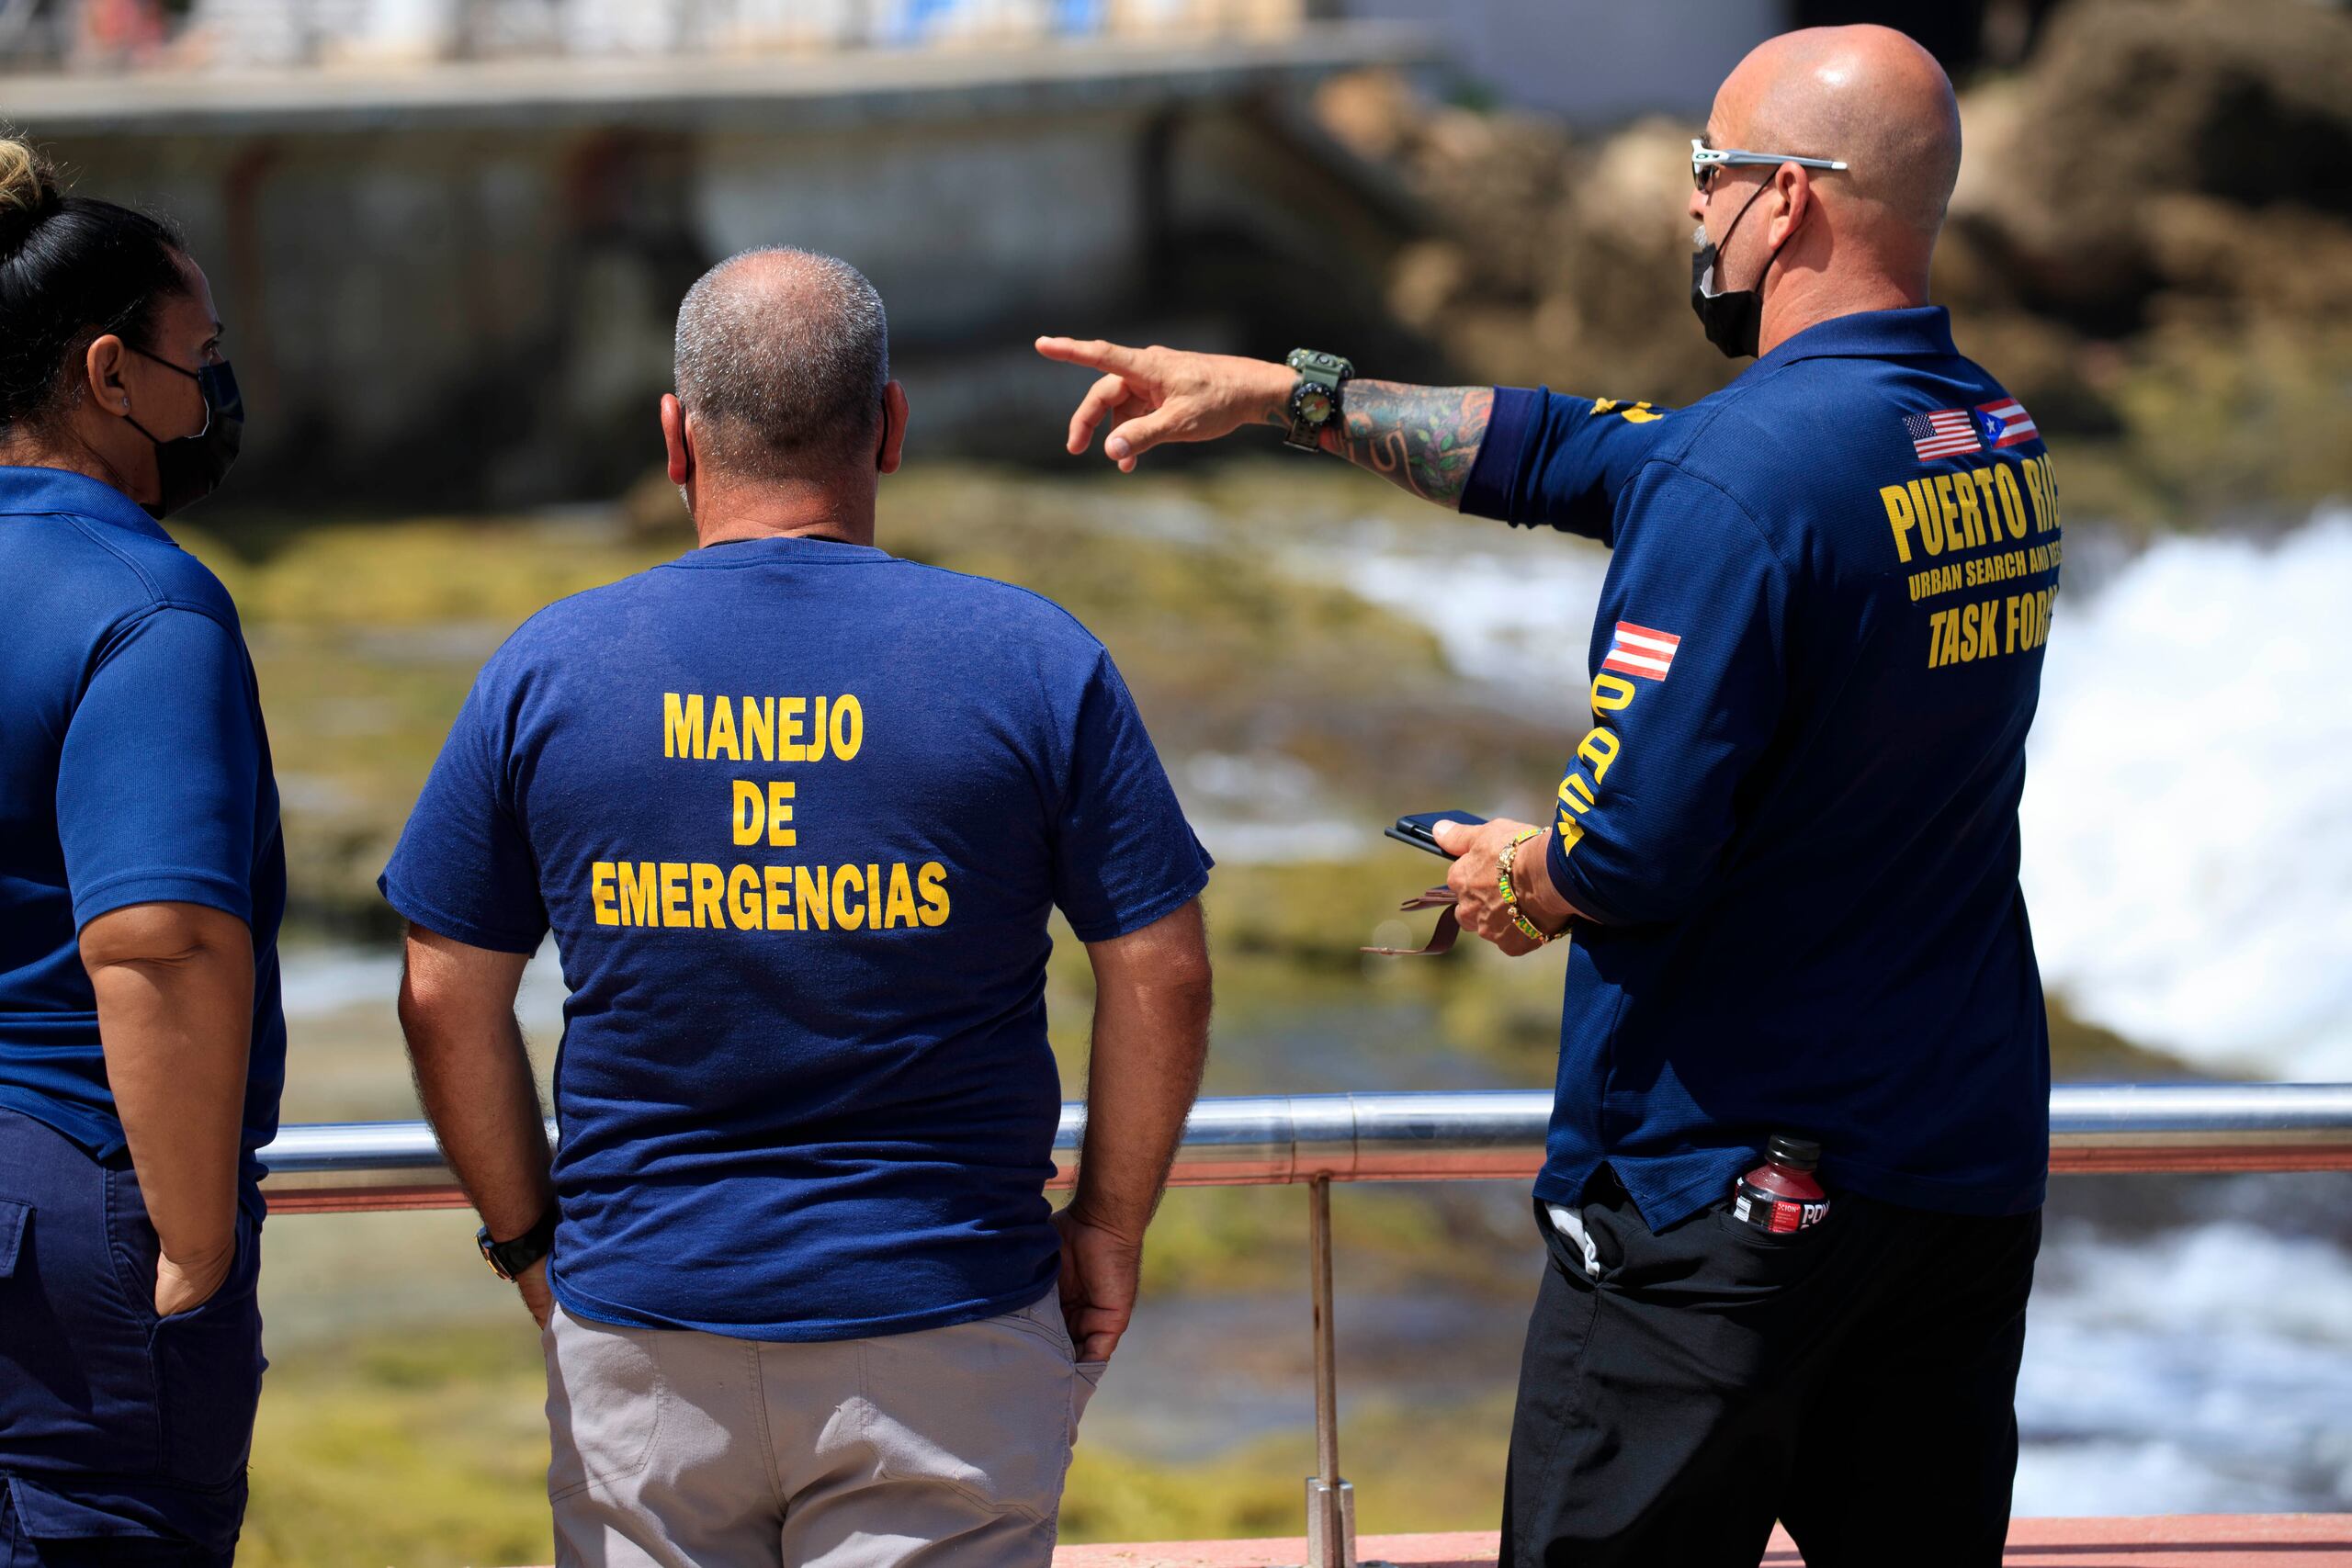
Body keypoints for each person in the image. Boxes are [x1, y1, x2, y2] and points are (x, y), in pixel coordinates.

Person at [1038, 24, 2054, 1567]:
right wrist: (1288, 396)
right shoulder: (1990, 437)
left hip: (1729, 1199)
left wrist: (1514, 876)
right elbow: (1574, 448)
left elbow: (1630, 851)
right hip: (1955, 1173)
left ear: (1787, 201)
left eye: (1706, 173)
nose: (1686, 211)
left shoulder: (1744, 482)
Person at [381, 246, 1215, 1568]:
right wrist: (1107, 1227)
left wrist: (531, 1243)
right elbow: (1160, 968)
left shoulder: (549, 669)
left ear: (675, 438)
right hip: (945, 1321)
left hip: (645, 1330)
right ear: (888, 427)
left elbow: (441, 992)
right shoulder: (1033, 658)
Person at [0, 139, 277, 1565]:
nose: (217, 392)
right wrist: (194, 1252)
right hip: (65, 1210)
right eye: (203, 355)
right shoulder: (145, 608)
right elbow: (157, 940)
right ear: (110, 376)